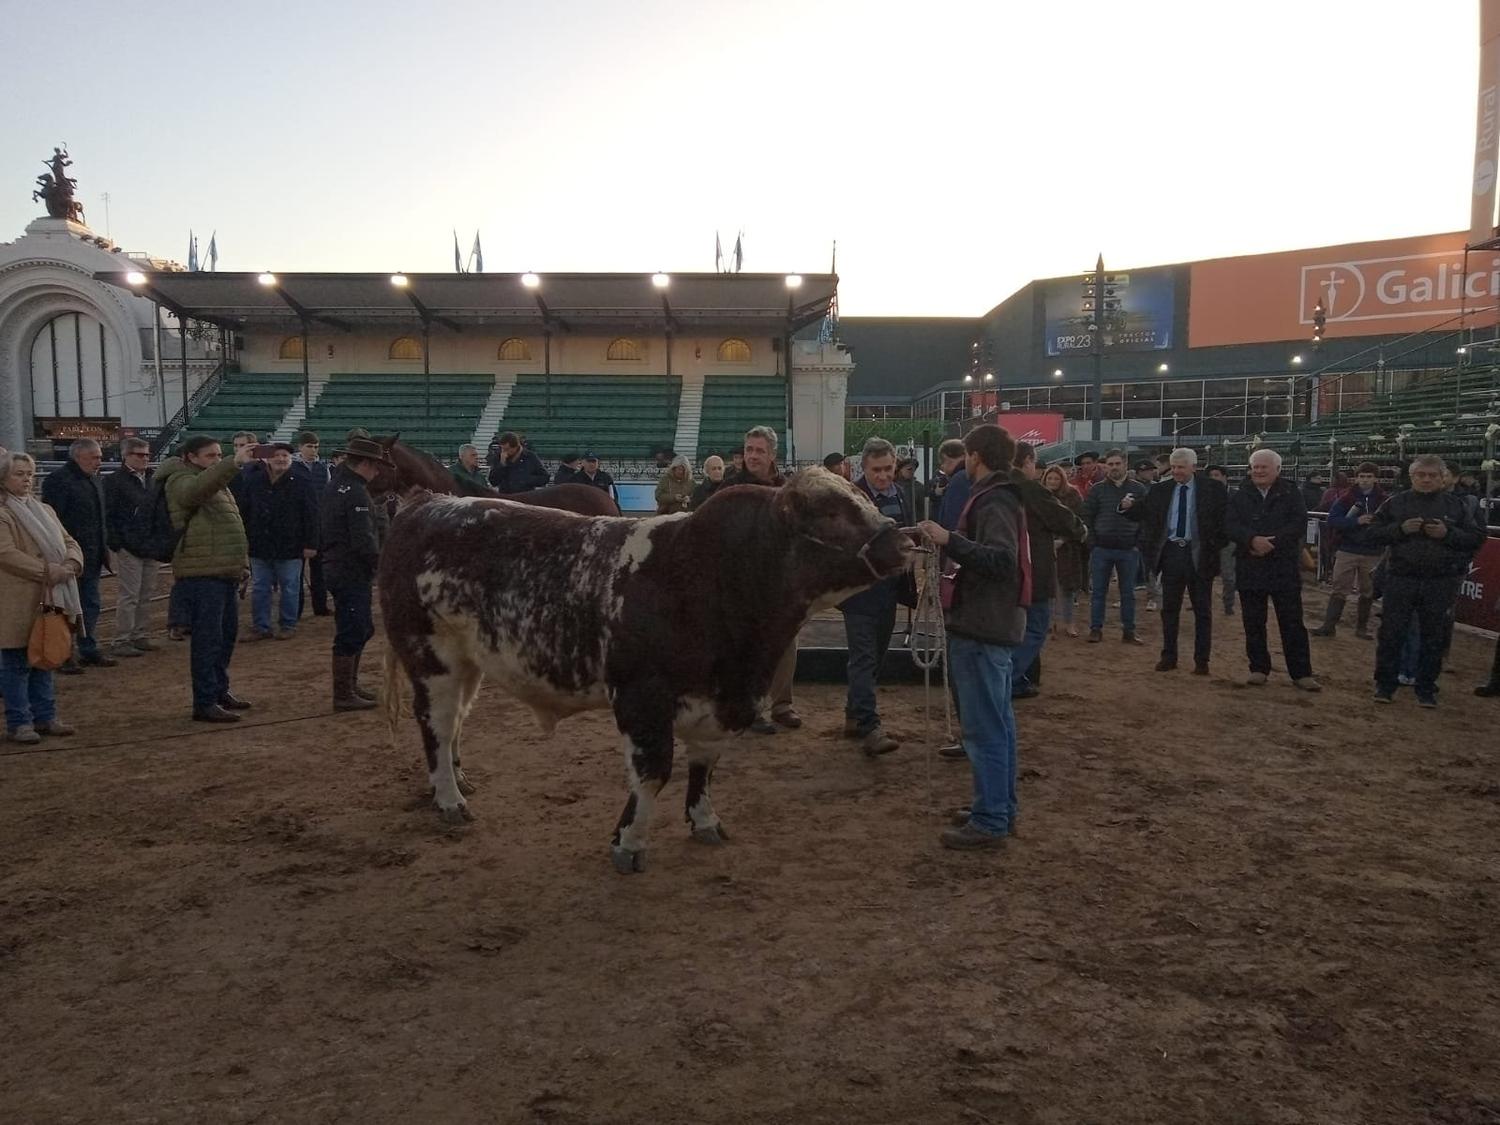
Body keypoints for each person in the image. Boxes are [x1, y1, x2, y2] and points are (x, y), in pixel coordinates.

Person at [917, 424, 1027, 850]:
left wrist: (950, 540)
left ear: (976, 456)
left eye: (966, 454)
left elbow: (1001, 560)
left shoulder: (994, 499)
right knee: (997, 725)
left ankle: (990, 819)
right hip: (990, 624)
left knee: (984, 730)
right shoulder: (1000, 496)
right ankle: (998, 808)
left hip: (982, 625)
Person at [1366, 453, 1486, 706]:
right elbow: (1372, 532)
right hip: (1401, 578)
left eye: (1432, 475)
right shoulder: (1395, 503)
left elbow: (1476, 537)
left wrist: (1447, 533)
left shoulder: (1457, 506)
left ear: (1442, 478)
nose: (1426, 479)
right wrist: (1400, 530)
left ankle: (1426, 688)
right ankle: (1385, 686)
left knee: (1434, 637)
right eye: (1421, 475)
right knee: (1391, 633)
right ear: (1412, 477)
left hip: (1439, 581)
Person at [158, 434, 257, 722]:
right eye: (210, 455)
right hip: (201, 573)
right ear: (191, 457)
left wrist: (241, 564)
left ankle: (218, 691)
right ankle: (204, 701)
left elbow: (229, 525)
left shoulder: (212, 481)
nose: (216, 460)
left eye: (218, 455)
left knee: (225, 637)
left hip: (221, 570)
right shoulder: (179, 479)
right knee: (207, 641)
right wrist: (232, 463)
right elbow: (194, 493)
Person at [1120, 448, 1228, 675]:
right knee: (1169, 609)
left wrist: (1214, 545)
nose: (1177, 471)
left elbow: (1224, 520)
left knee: (1202, 610)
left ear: (1194, 467)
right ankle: (1169, 656)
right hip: (1171, 555)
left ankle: (1202, 661)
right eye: (1174, 467)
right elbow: (1142, 511)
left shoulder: (1214, 489)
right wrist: (1125, 507)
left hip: (1200, 555)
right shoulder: (1160, 490)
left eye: (1181, 467)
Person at [839, 438, 915, 757]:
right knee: (864, 657)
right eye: (876, 470)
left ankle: (853, 714)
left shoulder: (901, 494)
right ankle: (870, 726)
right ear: (864, 468)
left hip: (889, 590)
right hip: (859, 593)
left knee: (877, 656)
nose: (883, 476)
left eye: (888, 469)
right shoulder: (851, 499)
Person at [0, 451, 83, 743]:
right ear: (3, 477)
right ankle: (20, 722)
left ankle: (45, 717)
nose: (26, 480)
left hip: (48, 594)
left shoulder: (45, 510)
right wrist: (48, 571)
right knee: (15, 663)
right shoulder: (2, 513)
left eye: (30, 474)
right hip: (15, 598)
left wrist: (71, 564)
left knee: (45, 656)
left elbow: (70, 541)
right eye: (19, 474)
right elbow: (5, 553)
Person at [1225, 448, 1320, 691]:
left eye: (1263, 467)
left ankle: (1301, 673)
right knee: (1253, 621)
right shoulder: (1239, 494)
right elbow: (1230, 524)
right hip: (1250, 565)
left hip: (1282, 566)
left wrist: (1271, 543)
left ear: (1277, 469)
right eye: (1255, 467)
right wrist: (1251, 540)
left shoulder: (1291, 493)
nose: (1258, 471)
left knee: (1292, 622)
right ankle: (1258, 668)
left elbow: (1298, 523)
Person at [729, 426, 801, 733]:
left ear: (773, 455)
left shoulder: (788, 490)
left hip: (780, 583)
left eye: (759, 450)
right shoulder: (731, 489)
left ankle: (782, 705)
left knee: (787, 642)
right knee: (747, 647)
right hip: (742, 583)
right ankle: (751, 708)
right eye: (749, 449)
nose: (753, 456)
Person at [1009, 443, 1087, 697]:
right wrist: (1081, 531)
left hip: (1001, 568)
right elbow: (1062, 519)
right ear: (1027, 461)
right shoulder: (1030, 489)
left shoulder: (992, 485)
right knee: (1035, 627)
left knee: (1013, 628)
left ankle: (1013, 679)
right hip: (1032, 567)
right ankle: (1008, 679)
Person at [322, 436, 392, 710]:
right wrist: (380, 566)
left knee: (359, 627)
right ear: (365, 464)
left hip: (340, 566)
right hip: (350, 569)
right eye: (375, 466)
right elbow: (363, 538)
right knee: (353, 629)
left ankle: (349, 687)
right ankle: (343, 693)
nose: (377, 473)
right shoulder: (355, 492)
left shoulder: (338, 485)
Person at [41, 437, 114, 671]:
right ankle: (64, 653)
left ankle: (87, 648)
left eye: (99, 457)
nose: (99, 461)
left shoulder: (94, 480)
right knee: (67, 606)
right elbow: (52, 522)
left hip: (91, 555)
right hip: (68, 557)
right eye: (94, 457)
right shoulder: (59, 481)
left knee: (89, 604)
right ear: (78, 456)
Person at [238, 443, 319, 641]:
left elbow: (312, 515)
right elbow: (244, 511)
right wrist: (245, 539)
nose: (281, 459)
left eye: (285, 455)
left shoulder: (302, 481)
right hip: (259, 544)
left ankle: (288, 624)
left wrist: (311, 543)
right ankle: (261, 626)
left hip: (291, 545)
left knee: (290, 587)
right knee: (260, 587)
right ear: (267, 458)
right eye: (276, 455)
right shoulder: (253, 480)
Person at [1312, 462, 1386, 639]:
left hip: (1372, 550)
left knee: (1368, 590)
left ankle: (1361, 628)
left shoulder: (1384, 500)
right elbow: (1333, 519)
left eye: (1369, 477)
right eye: (1362, 476)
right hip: (1348, 548)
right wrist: (1356, 522)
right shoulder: (1347, 498)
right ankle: (1329, 626)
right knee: (1339, 587)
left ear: (1375, 478)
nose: (1365, 480)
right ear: (1356, 478)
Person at [1081, 449, 1147, 645]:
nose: (1114, 467)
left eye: (1117, 463)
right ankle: (1095, 629)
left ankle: (1129, 631)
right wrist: (1092, 543)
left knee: (1128, 593)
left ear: (1125, 464)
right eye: (1110, 464)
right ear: (1106, 466)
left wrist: (1138, 543)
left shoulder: (1138, 489)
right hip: (1101, 548)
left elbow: (1146, 518)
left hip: (1129, 548)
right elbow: (1087, 516)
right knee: (1098, 592)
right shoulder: (1097, 490)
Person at [103, 436, 159, 657]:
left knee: (145, 593)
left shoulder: (153, 478)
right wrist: (117, 543)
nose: (145, 458)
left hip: (149, 543)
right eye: (140, 454)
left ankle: (139, 634)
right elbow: (108, 514)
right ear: (126, 456)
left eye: (147, 454)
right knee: (130, 594)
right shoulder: (114, 481)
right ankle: (122, 638)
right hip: (129, 544)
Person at [1041, 464, 1086, 637]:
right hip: (1043, 547)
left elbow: (1077, 522)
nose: (1052, 482)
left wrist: (1062, 540)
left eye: (1056, 478)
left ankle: (1069, 623)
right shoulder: (1039, 496)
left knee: (1067, 587)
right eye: (1049, 478)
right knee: (1046, 587)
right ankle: (1048, 622)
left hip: (1067, 548)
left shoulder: (1072, 496)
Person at [294, 431, 331, 617]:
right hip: (297, 525)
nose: (313, 450)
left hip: (319, 524)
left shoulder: (323, 468)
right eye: (309, 446)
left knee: (319, 570)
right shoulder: (291, 467)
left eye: (316, 446)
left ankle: (320, 606)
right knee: (296, 571)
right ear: (300, 447)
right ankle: (296, 609)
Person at [1207, 465, 1238, 614]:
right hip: (1209, 539)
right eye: (1211, 476)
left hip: (1228, 539)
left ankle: (1228, 604)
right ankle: (1201, 602)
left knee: (1228, 575)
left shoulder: (1235, 495)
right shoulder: (1204, 495)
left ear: (1225, 477)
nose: (1214, 478)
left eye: (1217, 475)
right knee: (1204, 574)